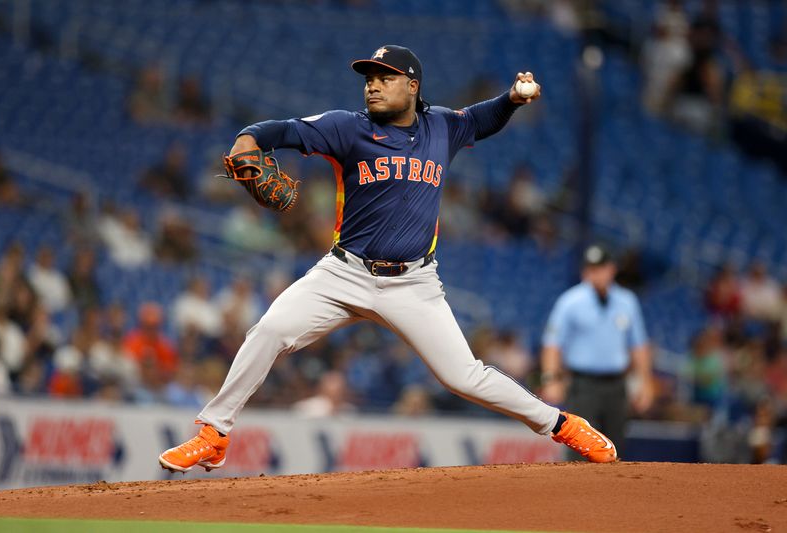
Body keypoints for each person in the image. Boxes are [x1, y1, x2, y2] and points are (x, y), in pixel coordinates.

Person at [159, 45, 618, 473]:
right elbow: (280, 130)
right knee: (270, 330)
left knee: (464, 376)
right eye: (369, 77)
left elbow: (483, 118)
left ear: (412, 86)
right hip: (343, 273)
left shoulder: (442, 126)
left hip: (413, 284)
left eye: (385, 77)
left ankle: (562, 425)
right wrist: (247, 139)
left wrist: (514, 99)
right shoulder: (347, 127)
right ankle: (214, 432)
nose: (372, 85)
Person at [540, 244, 653, 457]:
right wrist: (551, 379)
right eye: (591, 268)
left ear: (612, 269)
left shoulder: (627, 301)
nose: (596, 274)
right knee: (579, 447)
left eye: (600, 268)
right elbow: (552, 344)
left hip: (617, 385)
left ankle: (612, 491)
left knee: (614, 448)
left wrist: (645, 383)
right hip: (583, 386)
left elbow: (639, 346)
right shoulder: (570, 301)